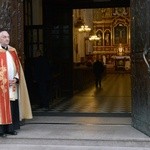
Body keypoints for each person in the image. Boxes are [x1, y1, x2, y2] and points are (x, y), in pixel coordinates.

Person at [0, 30, 33, 137]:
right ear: (0, 38)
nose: (7, 39)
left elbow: (18, 67)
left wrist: (15, 78)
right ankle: (1, 130)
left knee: (12, 106)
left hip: (12, 85)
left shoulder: (12, 51)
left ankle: (11, 128)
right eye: (4, 37)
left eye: (8, 37)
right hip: (1, 86)